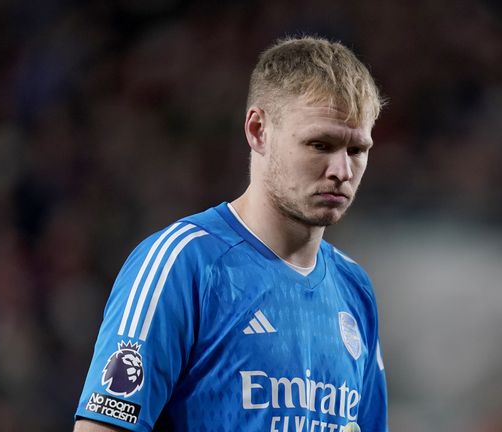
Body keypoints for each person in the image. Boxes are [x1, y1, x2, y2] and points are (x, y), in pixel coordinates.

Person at [73, 36, 388, 432]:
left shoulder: (354, 290)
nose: (341, 171)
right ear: (258, 131)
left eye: (356, 150)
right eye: (319, 144)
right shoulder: (182, 264)